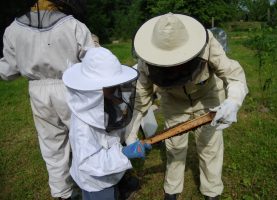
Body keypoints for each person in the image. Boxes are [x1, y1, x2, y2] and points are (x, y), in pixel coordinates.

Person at [126, 13, 248, 200]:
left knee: (210, 144)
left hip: (207, 95)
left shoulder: (208, 44)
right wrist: (131, 135)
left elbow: (234, 74)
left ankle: (212, 190)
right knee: (174, 145)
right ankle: (172, 189)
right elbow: (141, 100)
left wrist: (233, 101)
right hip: (173, 100)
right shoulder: (146, 62)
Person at [0, 0, 96, 199]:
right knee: (84, 139)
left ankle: (63, 193)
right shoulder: (73, 25)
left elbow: (9, 71)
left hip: (38, 91)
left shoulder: (13, 29)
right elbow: (92, 60)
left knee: (51, 143)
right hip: (73, 86)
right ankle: (93, 185)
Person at [62, 47, 151, 200]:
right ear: (94, 88)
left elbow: (110, 137)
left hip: (108, 173)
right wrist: (123, 153)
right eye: (110, 86)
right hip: (95, 181)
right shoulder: (82, 126)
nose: (116, 89)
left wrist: (130, 146)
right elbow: (89, 162)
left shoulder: (104, 103)